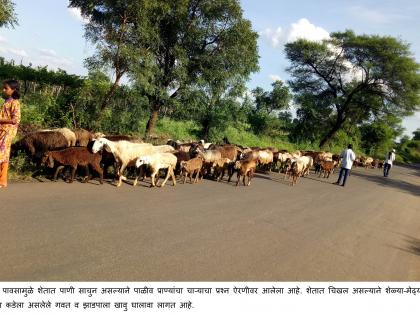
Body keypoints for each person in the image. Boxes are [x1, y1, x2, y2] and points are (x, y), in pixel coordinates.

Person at [0, 80, 21, 188]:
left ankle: (2, 181)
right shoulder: (7, 100)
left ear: (13, 90)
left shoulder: (15, 102)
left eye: (6, 88)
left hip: (8, 132)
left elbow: (15, 120)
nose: (4, 90)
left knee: (2, 154)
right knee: (3, 154)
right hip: (2, 130)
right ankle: (2, 181)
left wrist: (1, 119)